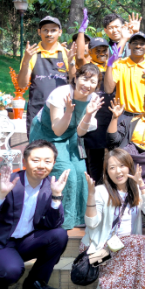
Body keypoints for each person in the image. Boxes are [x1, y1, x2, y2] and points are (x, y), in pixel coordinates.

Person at [0, 140, 71, 289]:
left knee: (59, 234)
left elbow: (53, 225)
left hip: (26, 242)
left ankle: (35, 282)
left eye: (47, 161)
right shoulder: (8, 182)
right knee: (11, 271)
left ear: (53, 164)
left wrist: (56, 197)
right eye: (35, 160)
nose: (41, 165)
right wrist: (1, 195)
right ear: (25, 161)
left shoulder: (50, 186)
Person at [75, 148, 145, 289]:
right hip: (98, 252)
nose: (118, 171)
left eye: (122, 166)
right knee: (131, 242)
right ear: (107, 172)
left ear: (129, 167)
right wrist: (91, 195)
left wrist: (141, 184)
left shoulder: (134, 190)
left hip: (124, 246)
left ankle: (139, 285)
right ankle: (105, 287)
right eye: (112, 167)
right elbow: (91, 223)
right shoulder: (101, 191)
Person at [31, 60, 102, 232]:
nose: (88, 85)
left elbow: (81, 132)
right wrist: (69, 112)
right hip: (48, 134)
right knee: (66, 172)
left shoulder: (93, 99)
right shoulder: (60, 94)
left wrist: (89, 114)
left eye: (93, 82)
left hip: (71, 135)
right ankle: (63, 219)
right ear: (76, 78)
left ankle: (81, 217)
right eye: (85, 79)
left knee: (80, 171)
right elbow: (57, 130)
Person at [19, 13, 74, 128]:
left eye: (53, 30)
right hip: (37, 109)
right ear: (39, 32)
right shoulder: (32, 54)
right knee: (36, 145)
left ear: (60, 32)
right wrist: (25, 61)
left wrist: (71, 62)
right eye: (45, 30)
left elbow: (74, 83)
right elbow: (21, 85)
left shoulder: (66, 54)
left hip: (61, 110)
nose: (49, 34)